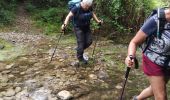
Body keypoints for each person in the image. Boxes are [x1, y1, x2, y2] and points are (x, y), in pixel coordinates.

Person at [125, 8, 170, 100]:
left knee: (156, 88)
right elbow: (134, 42)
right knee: (161, 96)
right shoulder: (157, 19)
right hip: (153, 60)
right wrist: (130, 56)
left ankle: (137, 99)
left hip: (168, 62)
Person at [61, 0, 102, 64]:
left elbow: (92, 14)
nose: (87, 8)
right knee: (81, 43)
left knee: (89, 41)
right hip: (78, 28)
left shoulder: (89, 7)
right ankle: (80, 58)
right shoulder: (76, 8)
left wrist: (98, 21)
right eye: (86, 6)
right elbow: (68, 16)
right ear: (83, 3)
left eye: (88, 6)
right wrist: (64, 24)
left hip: (86, 27)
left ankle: (79, 49)